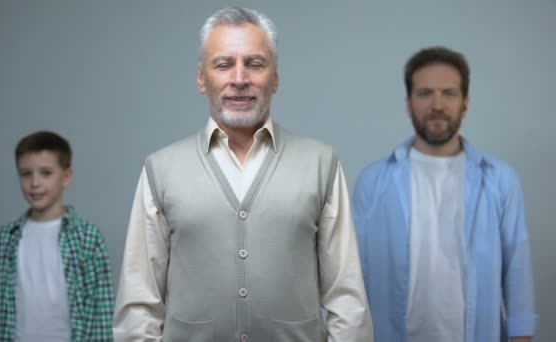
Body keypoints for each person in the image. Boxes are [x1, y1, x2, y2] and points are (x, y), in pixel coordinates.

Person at [113, 6, 372, 342]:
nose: (239, 79)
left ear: (275, 77)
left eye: (255, 63)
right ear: (201, 78)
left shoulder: (321, 163)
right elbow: (138, 303)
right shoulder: (160, 169)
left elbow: (347, 297)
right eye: (223, 64)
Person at [352, 46, 538, 342]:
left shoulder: (500, 179)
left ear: (465, 104)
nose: (437, 104)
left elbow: (516, 265)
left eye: (449, 93)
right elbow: (352, 273)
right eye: (425, 93)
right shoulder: (373, 181)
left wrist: (522, 335)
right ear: (409, 104)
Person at [0, 131, 115, 341]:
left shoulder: (89, 239)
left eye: (46, 173)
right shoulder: (1, 241)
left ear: (66, 177)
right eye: (26, 173)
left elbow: (101, 313)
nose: (35, 183)